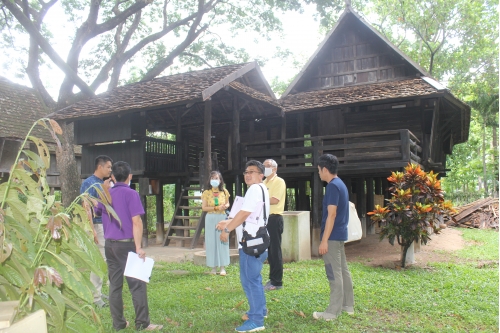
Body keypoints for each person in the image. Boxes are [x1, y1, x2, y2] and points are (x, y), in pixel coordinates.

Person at [95, 161, 162, 331]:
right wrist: (138, 247)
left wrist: (104, 189)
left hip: (110, 245)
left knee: (115, 285)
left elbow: (96, 210)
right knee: (137, 284)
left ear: (112, 176)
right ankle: (142, 323)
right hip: (126, 245)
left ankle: (119, 323)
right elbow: (136, 222)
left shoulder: (106, 194)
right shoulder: (131, 194)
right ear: (130, 176)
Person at [217, 160, 270, 333]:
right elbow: (248, 215)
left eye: (252, 172)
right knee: (254, 279)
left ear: (261, 175)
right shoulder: (261, 189)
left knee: (250, 280)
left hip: (251, 243)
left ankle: (256, 320)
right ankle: (260, 310)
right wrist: (229, 221)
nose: (248, 175)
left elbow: (245, 213)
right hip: (259, 241)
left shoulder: (255, 189)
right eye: (246, 172)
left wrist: (227, 228)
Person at [313, 154, 354, 321]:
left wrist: (323, 241)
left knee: (333, 272)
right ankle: (347, 305)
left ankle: (332, 312)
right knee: (343, 270)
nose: (318, 173)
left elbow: (331, 215)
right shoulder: (340, 184)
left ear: (325, 169)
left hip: (332, 236)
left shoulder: (332, 186)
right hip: (339, 235)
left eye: (319, 170)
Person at [80, 155, 112, 308]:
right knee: (100, 261)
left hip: (106, 225)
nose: (110, 170)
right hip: (97, 225)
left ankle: (98, 292)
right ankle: (95, 297)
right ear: (100, 167)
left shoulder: (103, 183)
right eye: (108, 167)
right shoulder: (89, 183)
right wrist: (92, 230)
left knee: (103, 260)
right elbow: (85, 207)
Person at [262, 159, 286, 291]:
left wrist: (259, 200)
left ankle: (277, 282)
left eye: (268, 166)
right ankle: (272, 278)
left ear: (275, 169)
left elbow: (275, 200)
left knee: (275, 250)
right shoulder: (263, 182)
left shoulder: (279, 181)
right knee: (269, 251)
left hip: (274, 218)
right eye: (264, 166)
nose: (265, 168)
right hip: (265, 218)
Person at [201, 171, 231, 275]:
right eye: (212, 178)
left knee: (222, 240)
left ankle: (222, 267)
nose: (215, 180)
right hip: (210, 217)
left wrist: (226, 206)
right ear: (209, 180)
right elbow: (204, 208)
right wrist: (216, 207)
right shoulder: (206, 193)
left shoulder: (224, 192)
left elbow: (227, 202)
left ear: (220, 180)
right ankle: (213, 267)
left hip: (222, 217)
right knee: (211, 242)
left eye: (217, 178)